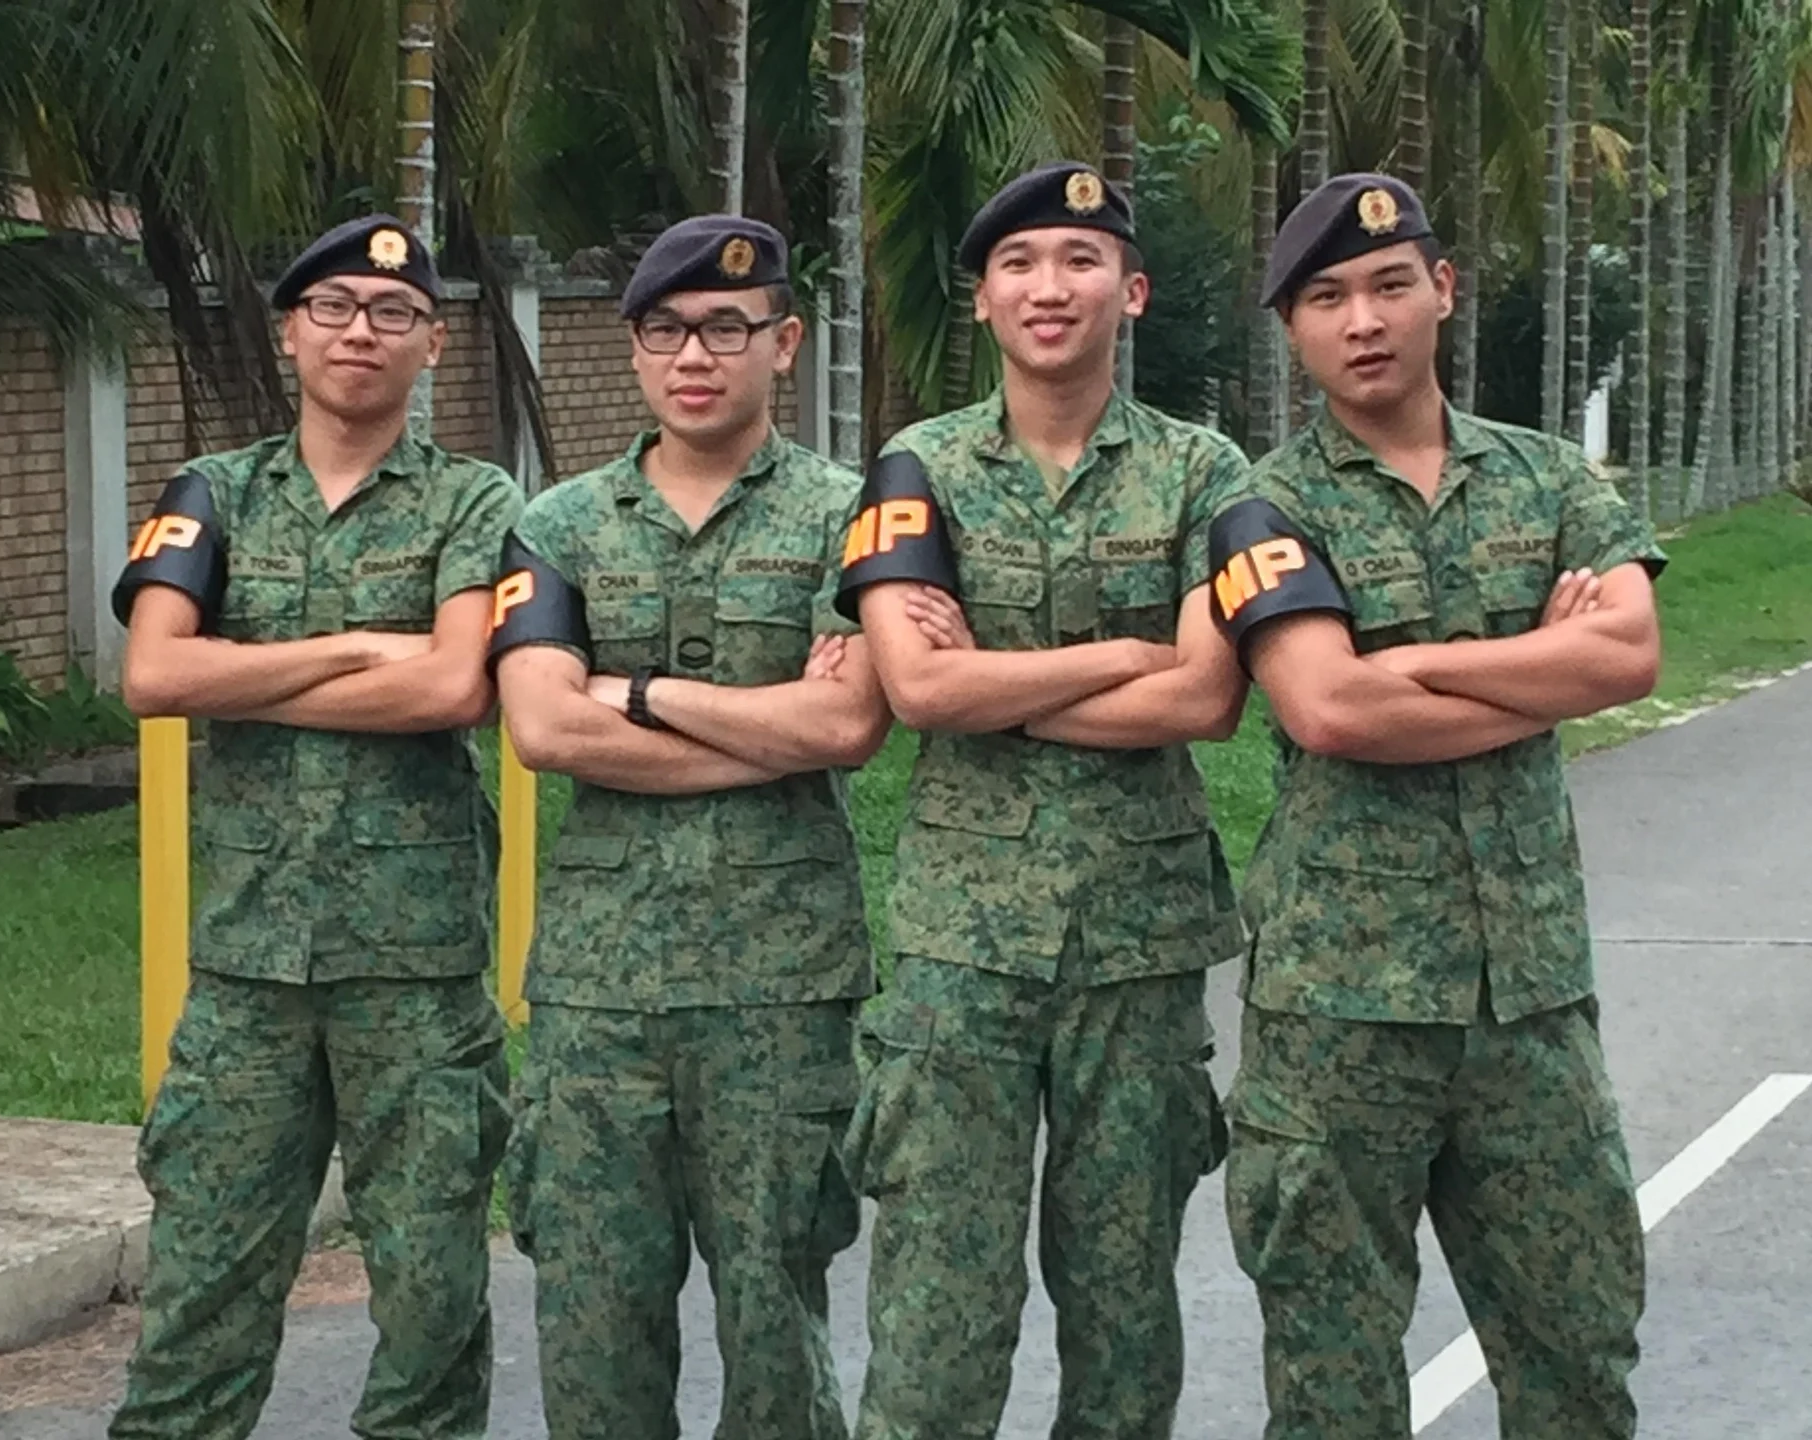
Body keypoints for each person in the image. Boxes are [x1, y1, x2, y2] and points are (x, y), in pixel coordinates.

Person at [1210, 172, 1662, 1438]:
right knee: (1336, 1386)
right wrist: (1539, 673)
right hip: (1337, 1011)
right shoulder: (1261, 507)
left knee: (1580, 1362)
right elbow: (1328, 710)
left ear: (1444, 290)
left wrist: (1410, 666)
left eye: (1390, 286)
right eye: (1328, 299)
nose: (1364, 321)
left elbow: (1629, 654)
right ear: (1292, 328)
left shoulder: (1548, 479)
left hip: (1530, 1003)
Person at [836, 161, 1249, 1440]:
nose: (1048, 287)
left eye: (1080, 261)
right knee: (938, 1308)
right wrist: (1122, 655)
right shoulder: (918, 469)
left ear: (1133, 290)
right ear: (982, 301)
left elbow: (1207, 698)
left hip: (1140, 941)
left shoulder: (1204, 470)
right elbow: (915, 688)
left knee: (1123, 1307)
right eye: (1017, 265)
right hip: (964, 947)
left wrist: (994, 683)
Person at [108, 214, 521, 1440]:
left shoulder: (473, 497)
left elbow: (453, 687)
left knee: (433, 1295)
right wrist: (359, 646)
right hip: (248, 969)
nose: (360, 332)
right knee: (202, 1289)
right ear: (290, 332)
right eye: (332, 308)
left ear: (432, 343)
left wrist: (244, 669)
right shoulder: (214, 493)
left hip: (418, 967)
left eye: (394, 313)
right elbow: (155, 676)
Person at [489, 214, 891, 1440]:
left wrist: (640, 693)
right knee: (595, 1328)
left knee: (777, 1329)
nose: (694, 357)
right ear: (634, 350)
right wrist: (764, 729)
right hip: (598, 993)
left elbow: (845, 725)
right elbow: (544, 729)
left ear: (785, 343)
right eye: (665, 331)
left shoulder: (854, 514)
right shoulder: (558, 524)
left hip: (782, 983)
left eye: (726, 329)